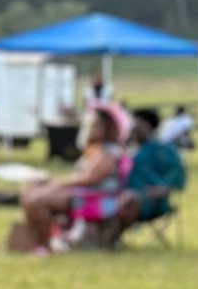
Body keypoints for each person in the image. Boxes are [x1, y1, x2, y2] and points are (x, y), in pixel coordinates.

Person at [18, 104, 125, 254]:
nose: (91, 128)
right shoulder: (97, 150)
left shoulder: (109, 154)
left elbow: (89, 179)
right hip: (82, 192)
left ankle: (44, 245)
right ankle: (37, 242)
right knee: (29, 193)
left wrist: (55, 182)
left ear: (106, 128)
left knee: (38, 200)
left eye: (95, 125)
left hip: (94, 198)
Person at [101, 107, 186, 244]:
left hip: (152, 201)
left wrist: (163, 189)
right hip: (120, 195)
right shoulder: (126, 149)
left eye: (139, 125)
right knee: (100, 201)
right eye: (133, 126)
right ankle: (96, 239)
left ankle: (109, 241)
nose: (135, 129)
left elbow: (176, 173)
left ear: (150, 127)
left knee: (127, 202)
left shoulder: (162, 149)